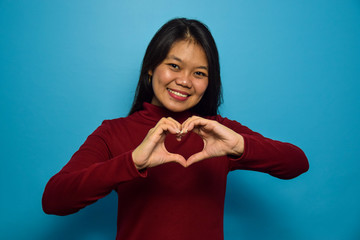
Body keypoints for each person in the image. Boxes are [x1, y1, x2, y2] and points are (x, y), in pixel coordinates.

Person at [42, 18, 309, 240]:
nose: (184, 81)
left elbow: (297, 163)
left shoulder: (218, 131)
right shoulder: (114, 133)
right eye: (174, 66)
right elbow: (54, 199)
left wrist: (240, 146)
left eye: (199, 73)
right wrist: (133, 162)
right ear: (150, 68)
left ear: (209, 82)